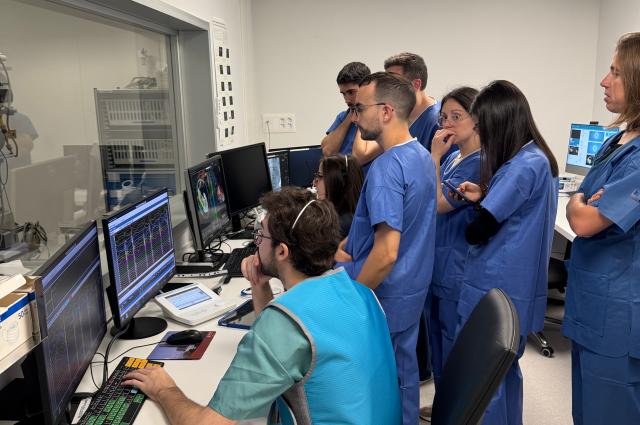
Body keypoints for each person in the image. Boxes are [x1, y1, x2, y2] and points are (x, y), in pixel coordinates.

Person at [122, 187, 402, 425]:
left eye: (261, 237)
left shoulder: (286, 323)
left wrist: (165, 389)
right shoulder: (362, 293)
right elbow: (282, 348)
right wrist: (259, 284)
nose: (256, 244)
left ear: (282, 251)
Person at [456, 80, 559, 425]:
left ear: (500, 123)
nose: (480, 133)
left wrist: (479, 206)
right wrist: (486, 194)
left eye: (482, 125)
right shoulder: (536, 157)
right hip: (518, 282)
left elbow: (477, 231)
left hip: (497, 280)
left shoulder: (521, 166)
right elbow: (513, 208)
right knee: (504, 372)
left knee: (486, 379)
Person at [336, 71, 437, 425]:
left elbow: (387, 252)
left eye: (360, 108)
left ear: (386, 111)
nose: (355, 116)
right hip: (411, 288)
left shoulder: (386, 168)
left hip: (386, 293)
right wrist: (349, 244)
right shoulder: (421, 156)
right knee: (403, 374)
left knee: (380, 384)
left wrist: (355, 299)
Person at [562, 32, 640, 425]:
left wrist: (581, 204)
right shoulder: (618, 141)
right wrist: (581, 201)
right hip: (592, 303)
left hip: (617, 312)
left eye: (616, 73)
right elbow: (581, 201)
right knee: (586, 410)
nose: (604, 81)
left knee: (609, 412)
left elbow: (583, 219)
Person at [427, 86, 481, 388]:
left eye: (456, 116)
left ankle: (454, 408)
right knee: (436, 340)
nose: (447, 124)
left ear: (477, 119)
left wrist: (434, 157)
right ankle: (442, 405)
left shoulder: (479, 162)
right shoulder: (455, 158)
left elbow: (438, 203)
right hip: (439, 260)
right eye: (444, 117)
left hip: (457, 265)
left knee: (453, 342)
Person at [353, 52, 452, 165]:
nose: (386, 88)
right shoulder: (397, 114)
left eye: (394, 82)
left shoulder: (439, 121)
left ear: (416, 84)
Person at [321, 61, 370, 157]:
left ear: (366, 88)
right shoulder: (343, 116)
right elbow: (327, 151)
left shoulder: (377, 117)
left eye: (351, 92)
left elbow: (360, 156)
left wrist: (361, 113)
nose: (346, 100)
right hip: (342, 167)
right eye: (343, 94)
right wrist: (349, 116)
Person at [312, 154, 364, 237]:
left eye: (320, 176)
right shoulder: (351, 217)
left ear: (338, 183)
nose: (314, 183)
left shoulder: (340, 226)